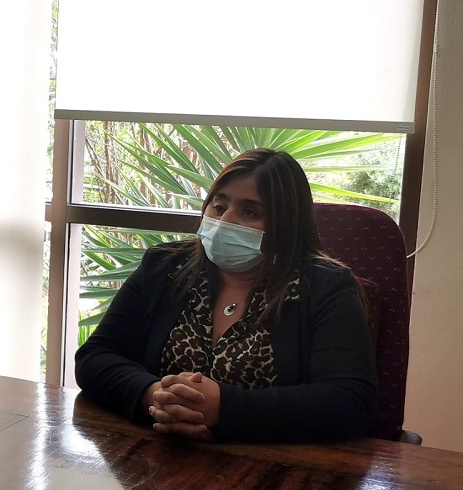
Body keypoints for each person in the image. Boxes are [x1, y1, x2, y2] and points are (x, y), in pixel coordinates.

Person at [74, 149, 377, 443]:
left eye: (250, 212)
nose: (225, 220)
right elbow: (94, 357)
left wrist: (224, 408)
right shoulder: (163, 266)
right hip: (158, 453)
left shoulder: (326, 286)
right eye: (219, 207)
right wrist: (154, 396)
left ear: (286, 226)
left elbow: (349, 401)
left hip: (273, 466)